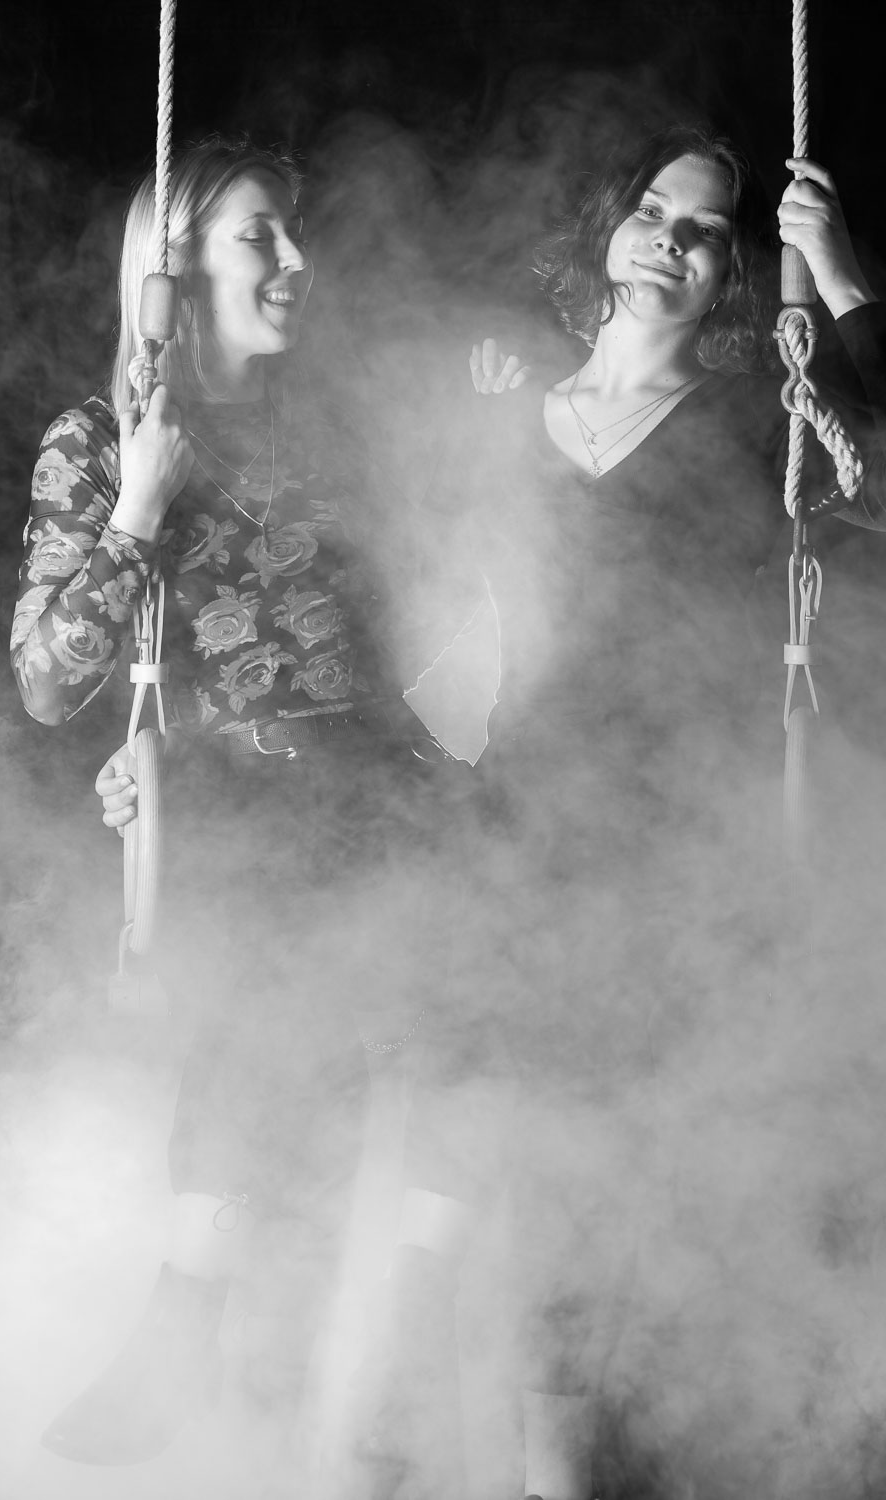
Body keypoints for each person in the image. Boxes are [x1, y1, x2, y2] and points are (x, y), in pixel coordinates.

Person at [363, 127, 886, 1500]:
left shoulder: (756, 424)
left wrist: (837, 278)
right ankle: (383, 1443)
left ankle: (573, 1478)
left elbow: (880, 475)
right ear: (609, 228)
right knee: (448, 1167)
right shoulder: (508, 407)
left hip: (657, 866)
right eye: (654, 208)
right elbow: (416, 612)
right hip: (509, 839)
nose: (672, 237)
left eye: (707, 229)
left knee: (583, 1210)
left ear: (732, 273)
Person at [11, 135, 459, 1470]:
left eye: (294, 230)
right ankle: (206, 1335)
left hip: (385, 798)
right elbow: (49, 680)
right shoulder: (100, 441)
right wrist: (140, 512)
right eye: (261, 234)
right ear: (173, 268)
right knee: (266, 1044)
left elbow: (386, 653)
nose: (298, 260)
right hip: (251, 829)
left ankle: (370, 1373)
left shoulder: (332, 433)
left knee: (451, 1066)